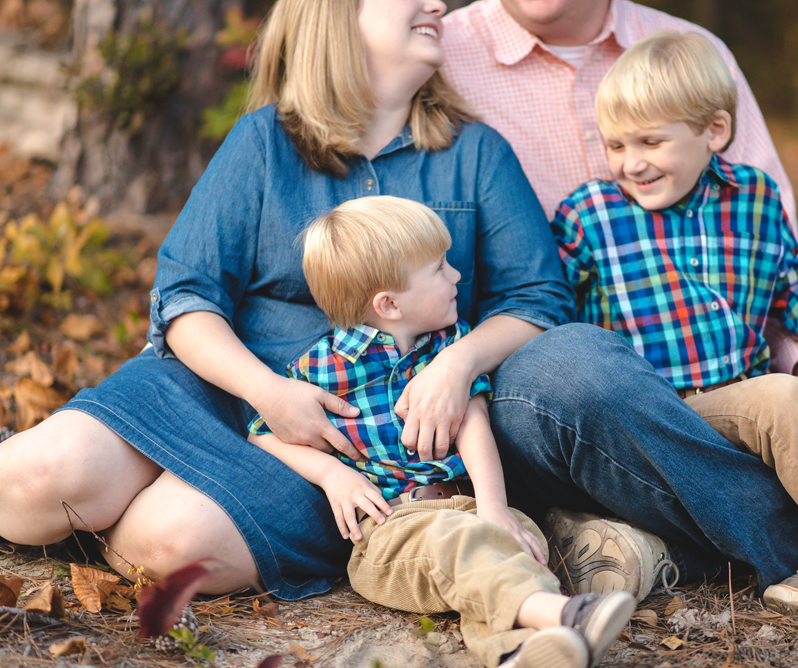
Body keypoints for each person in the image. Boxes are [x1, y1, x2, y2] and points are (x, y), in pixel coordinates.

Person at [0, 0, 574, 602]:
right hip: (219, 384)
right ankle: (98, 498)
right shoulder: (265, 142)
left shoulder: (475, 153)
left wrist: (456, 366)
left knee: (169, 545)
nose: (437, 3)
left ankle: (128, 513)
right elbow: (186, 295)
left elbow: (538, 300)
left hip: (346, 444)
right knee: (35, 480)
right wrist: (267, 391)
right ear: (336, 16)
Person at [441, 0, 798, 598]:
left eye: (650, 142)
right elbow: (553, 317)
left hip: (757, 395)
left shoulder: (751, 197)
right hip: (660, 416)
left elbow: (793, 288)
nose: (631, 164)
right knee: (773, 400)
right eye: (616, 147)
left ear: (715, 132)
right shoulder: (587, 213)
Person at [247, 195, 636, 668]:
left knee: (512, 541)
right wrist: (333, 475)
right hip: (391, 531)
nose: (456, 276)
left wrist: (494, 508)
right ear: (388, 304)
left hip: (470, 505)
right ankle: (567, 615)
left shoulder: (448, 348)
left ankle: (520, 651)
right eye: (439, 268)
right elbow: (262, 432)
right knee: (461, 546)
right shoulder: (322, 369)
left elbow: (473, 425)